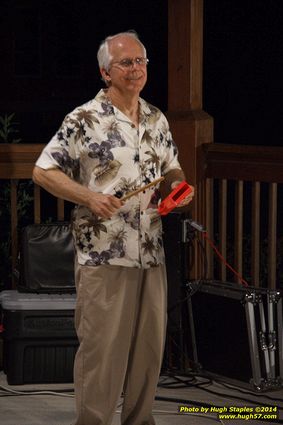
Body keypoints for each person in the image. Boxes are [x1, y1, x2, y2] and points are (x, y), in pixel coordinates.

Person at [33, 30, 194, 425]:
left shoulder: (156, 117)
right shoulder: (83, 118)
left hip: (151, 252)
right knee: (101, 354)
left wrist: (176, 187)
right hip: (104, 254)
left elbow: (172, 165)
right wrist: (88, 197)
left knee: (147, 352)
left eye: (140, 61)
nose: (135, 69)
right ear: (106, 72)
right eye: (126, 63)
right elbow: (42, 171)